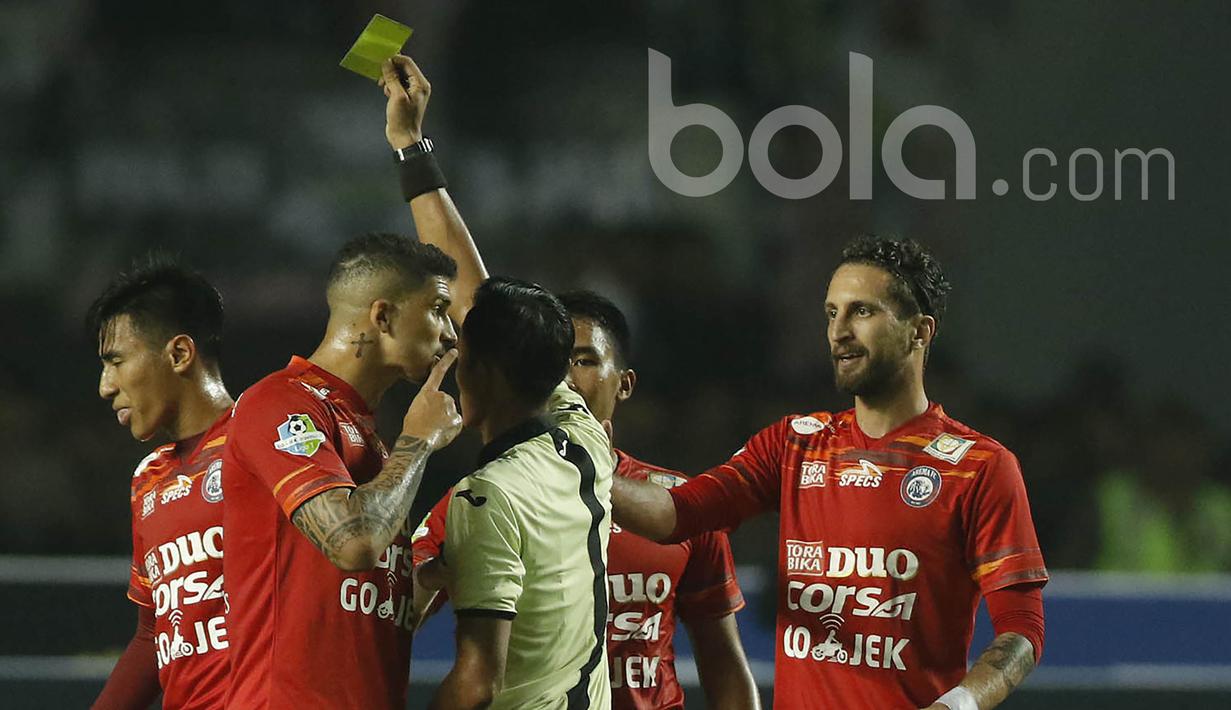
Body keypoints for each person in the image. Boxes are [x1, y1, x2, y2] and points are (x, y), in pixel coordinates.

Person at [612, 237, 1048, 710]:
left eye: (861, 311)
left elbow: (1022, 630)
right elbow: (675, 514)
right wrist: (582, 471)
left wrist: (956, 704)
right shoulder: (793, 445)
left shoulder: (979, 466)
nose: (838, 331)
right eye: (830, 313)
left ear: (919, 332)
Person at [379, 55, 616, 709]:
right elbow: (472, 294)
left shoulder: (484, 500)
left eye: (461, 350)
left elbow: (476, 679)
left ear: (478, 372)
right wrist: (411, 150)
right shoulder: (583, 441)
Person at [415, 290, 759, 708]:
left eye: (584, 361)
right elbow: (402, 607)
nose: (568, 379)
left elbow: (722, 659)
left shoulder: (679, 505)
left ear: (625, 383)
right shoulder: (487, 498)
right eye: (557, 363)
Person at [219, 229, 463, 708]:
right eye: (437, 309)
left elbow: (360, 604)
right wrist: (418, 443)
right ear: (383, 316)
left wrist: (432, 579)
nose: (449, 333)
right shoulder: (281, 402)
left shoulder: (366, 438)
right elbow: (353, 544)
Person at [88, 257, 234, 709]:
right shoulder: (149, 478)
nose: (105, 386)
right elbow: (154, 633)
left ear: (179, 354)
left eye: (116, 361)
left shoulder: (264, 443)